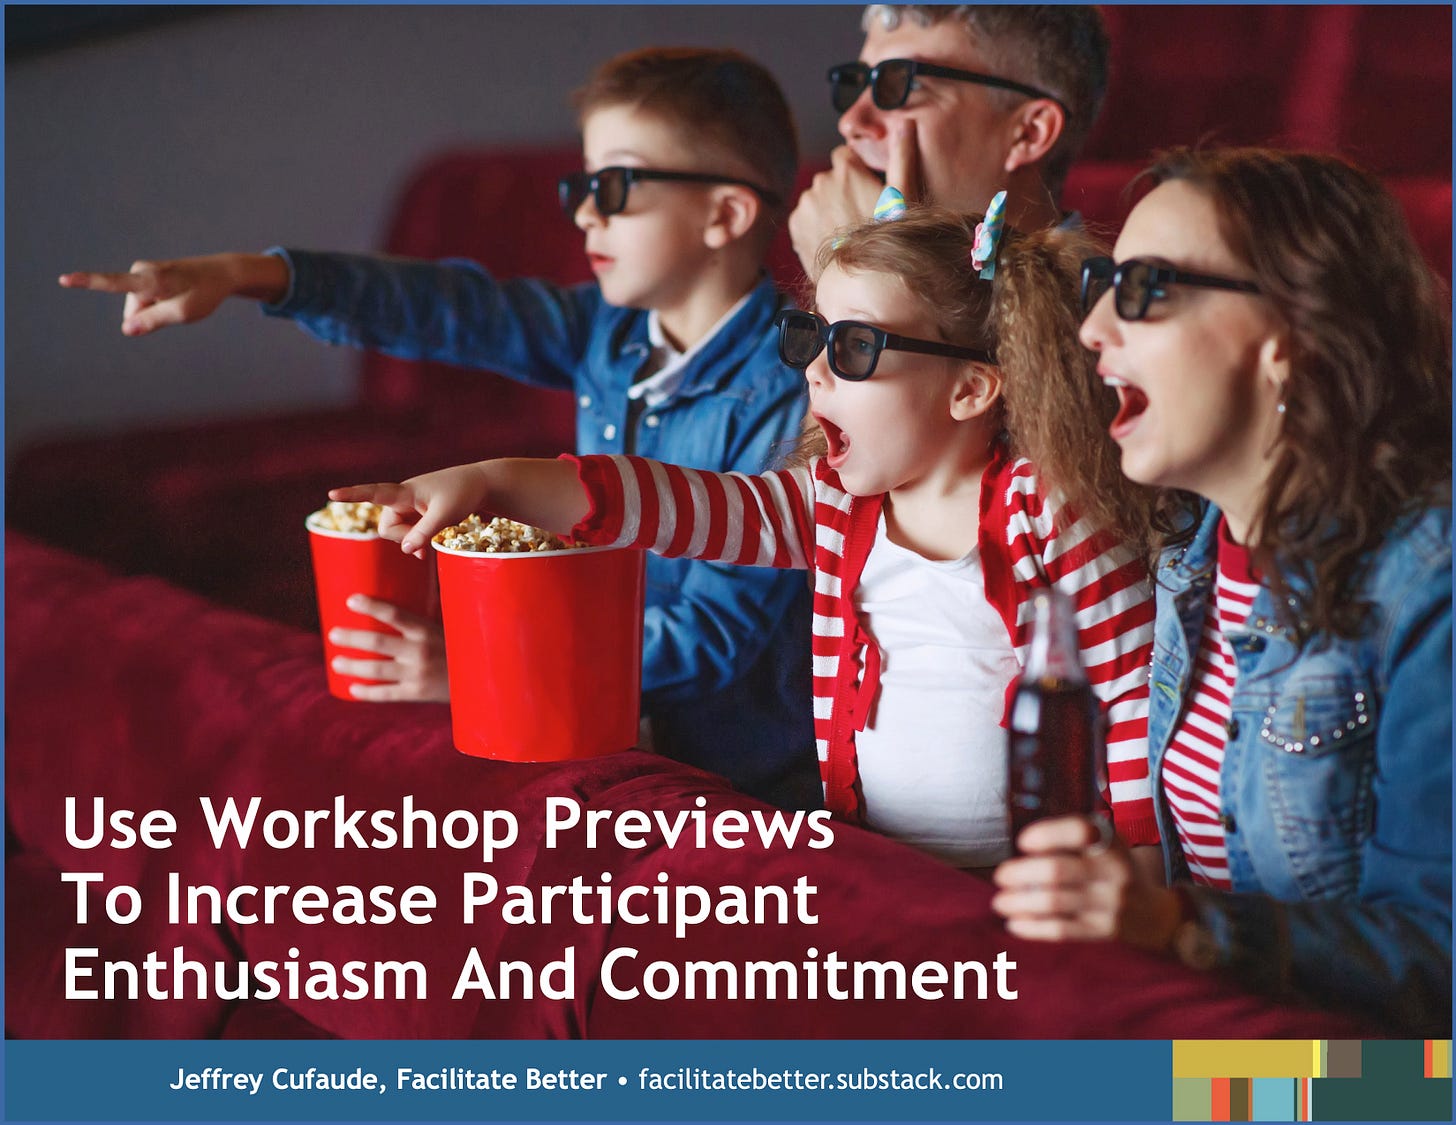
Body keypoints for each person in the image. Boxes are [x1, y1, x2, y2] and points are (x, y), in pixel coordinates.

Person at [56, 47, 819, 809]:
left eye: (615, 185)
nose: (585, 212)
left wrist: (477, 669)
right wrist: (250, 275)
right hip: (601, 711)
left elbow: (715, 636)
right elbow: (451, 308)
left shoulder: (790, 388)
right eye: (580, 186)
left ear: (725, 213)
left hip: (744, 771)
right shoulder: (607, 332)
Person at [332, 206, 1164, 871]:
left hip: (1023, 879)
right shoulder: (837, 504)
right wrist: (495, 480)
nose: (814, 371)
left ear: (971, 387)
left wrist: (1135, 877)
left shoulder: (1047, 511)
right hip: (871, 858)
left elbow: (1131, 701)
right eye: (813, 336)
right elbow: (673, 503)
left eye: (857, 346)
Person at [990, 147, 1452, 1037]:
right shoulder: (1195, 556)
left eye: (1145, 289)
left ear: (1291, 336)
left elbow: (1440, 955)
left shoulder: (1429, 578)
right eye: (1102, 282)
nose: (1090, 329)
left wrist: (1178, 924)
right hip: (1225, 1034)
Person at [789, 4, 1109, 274]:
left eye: (908, 85)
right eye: (860, 83)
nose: (851, 122)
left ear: (1029, 133)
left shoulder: (1100, 317)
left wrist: (856, 271)